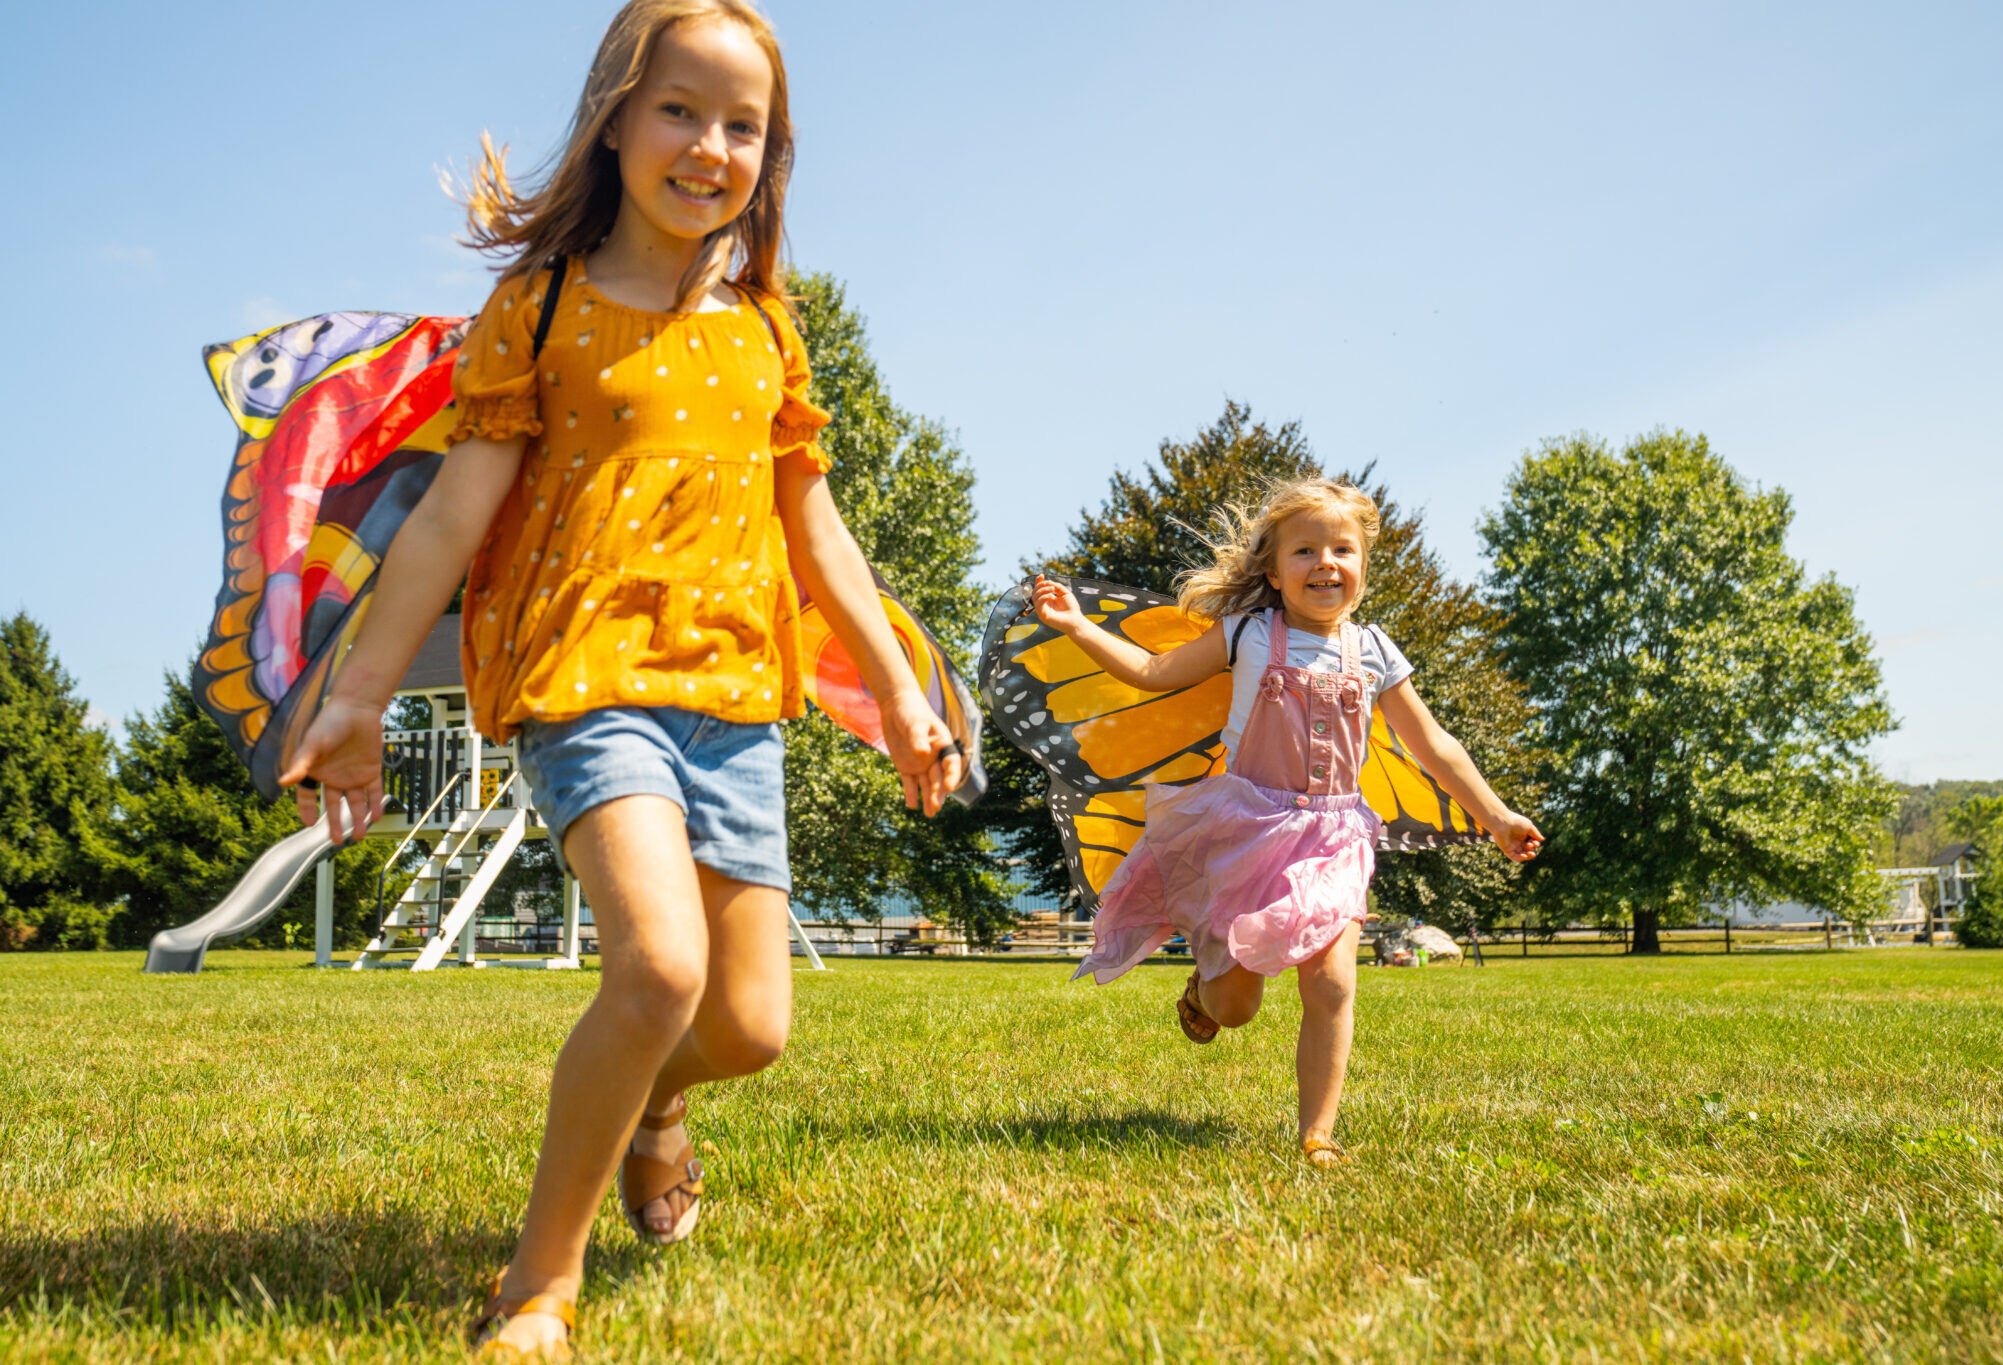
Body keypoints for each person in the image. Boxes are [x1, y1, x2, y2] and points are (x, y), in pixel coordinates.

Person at [279, 1, 964, 1354]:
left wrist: (895, 689)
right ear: (613, 118)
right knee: (657, 968)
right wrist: (352, 697)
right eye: (680, 110)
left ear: (772, 156)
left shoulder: (768, 327)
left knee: (750, 1025)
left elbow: (814, 528)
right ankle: (542, 1280)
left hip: (732, 697)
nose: (710, 146)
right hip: (583, 671)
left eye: (743, 126)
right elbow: (448, 521)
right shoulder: (539, 308)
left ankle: (655, 1101)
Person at [1030, 477, 1540, 1166]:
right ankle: (1205, 992)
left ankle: (1317, 1133)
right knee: (1239, 1006)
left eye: (1343, 548)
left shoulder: (1377, 652)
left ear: (1363, 565)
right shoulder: (1246, 634)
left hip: (1334, 837)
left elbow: (1436, 746)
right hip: (1247, 830)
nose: (1325, 563)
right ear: (1273, 570)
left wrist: (1496, 814)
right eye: (1305, 550)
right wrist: (1078, 626)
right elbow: (1153, 671)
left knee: (1331, 983)